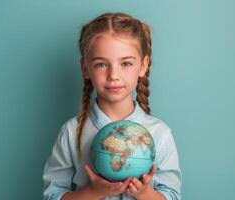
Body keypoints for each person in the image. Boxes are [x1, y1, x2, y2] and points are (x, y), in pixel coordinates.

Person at [43, 12, 182, 200]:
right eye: (101, 64)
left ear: (143, 65)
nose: (113, 75)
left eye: (126, 63)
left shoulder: (160, 134)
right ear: (85, 68)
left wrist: (144, 193)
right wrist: (94, 192)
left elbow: (173, 195)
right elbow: (53, 194)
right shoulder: (71, 132)